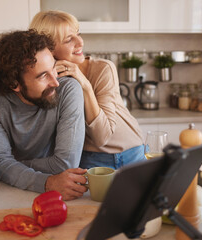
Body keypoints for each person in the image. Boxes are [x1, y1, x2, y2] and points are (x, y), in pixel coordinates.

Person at [0, 29, 87, 200]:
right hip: (13, 189)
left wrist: (6, 167)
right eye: (43, 76)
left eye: (54, 69)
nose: (55, 82)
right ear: (14, 83)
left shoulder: (68, 89)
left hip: (58, 188)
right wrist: (47, 182)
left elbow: (65, 164)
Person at [30, 11, 146, 169]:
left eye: (78, 34)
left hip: (131, 152)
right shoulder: (43, 78)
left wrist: (85, 85)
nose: (80, 42)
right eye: (69, 39)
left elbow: (102, 137)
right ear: (48, 49)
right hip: (87, 159)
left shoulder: (102, 68)